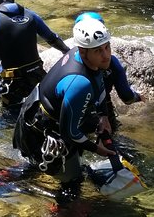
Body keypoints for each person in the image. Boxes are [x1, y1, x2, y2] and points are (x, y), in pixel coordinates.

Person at [12, 17, 117, 204]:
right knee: (73, 182)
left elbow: (99, 83)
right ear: (84, 53)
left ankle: (21, 172)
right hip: (36, 129)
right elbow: (69, 133)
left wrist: (104, 117)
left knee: (77, 149)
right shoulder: (79, 83)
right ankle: (60, 208)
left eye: (107, 47)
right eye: (99, 51)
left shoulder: (85, 56)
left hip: (44, 114)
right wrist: (97, 149)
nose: (106, 55)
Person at [74, 12, 145, 132]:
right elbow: (126, 96)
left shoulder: (73, 62)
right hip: (104, 108)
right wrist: (138, 97)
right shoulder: (112, 64)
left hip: (78, 111)